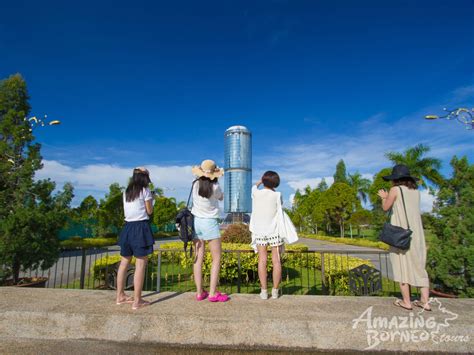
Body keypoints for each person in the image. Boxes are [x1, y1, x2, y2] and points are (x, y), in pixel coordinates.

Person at [378, 164, 431, 311]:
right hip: (416, 234)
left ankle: (406, 302)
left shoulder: (395, 190)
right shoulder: (416, 191)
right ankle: (425, 302)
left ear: (395, 179)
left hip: (400, 233)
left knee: (402, 266)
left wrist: (384, 197)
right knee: (419, 267)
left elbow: (385, 208)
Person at [116, 167, 154, 310]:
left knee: (124, 263)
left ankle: (120, 296)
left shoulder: (126, 192)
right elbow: (149, 211)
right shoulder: (145, 190)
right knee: (140, 265)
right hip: (140, 228)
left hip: (127, 228)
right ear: (145, 178)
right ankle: (137, 301)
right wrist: (152, 200)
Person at [191, 159, 229, 302]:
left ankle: (199, 292)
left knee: (198, 258)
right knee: (216, 258)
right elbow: (221, 198)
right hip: (210, 223)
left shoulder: (195, 184)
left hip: (196, 222)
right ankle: (212, 293)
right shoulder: (215, 187)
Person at [249, 171, 284, 300]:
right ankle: (275, 291)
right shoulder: (277, 195)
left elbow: (255, 186)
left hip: (260, 232)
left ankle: (264, 292)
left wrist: (260, 182)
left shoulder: (256, 193)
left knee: (262, 261)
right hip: (274, 231)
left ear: (264, 181)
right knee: (276, 261)